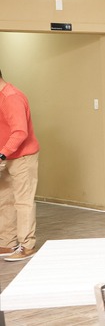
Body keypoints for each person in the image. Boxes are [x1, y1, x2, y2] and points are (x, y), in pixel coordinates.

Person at [0, 69, 40, 261]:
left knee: (23, 201)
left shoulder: (11, 97)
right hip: (5, 156)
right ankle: (8, 243)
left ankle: (27, 246)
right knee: (5, 200)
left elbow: (20, 132)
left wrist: (2, 154)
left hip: (22, 156)